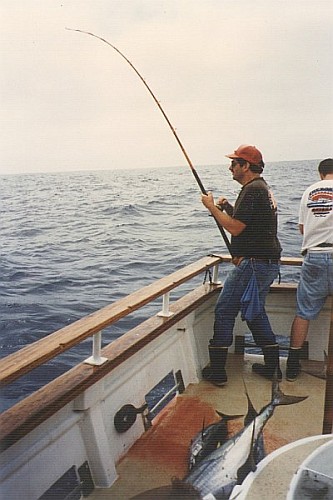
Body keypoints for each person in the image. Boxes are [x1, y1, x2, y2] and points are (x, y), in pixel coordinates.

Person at [201, 144, 282, 386]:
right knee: (255, 314)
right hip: (266, 263)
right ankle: (272, 368)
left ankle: (217, 371)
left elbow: (236, 228)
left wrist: (211, 208)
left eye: (234, 163)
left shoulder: (252, 189)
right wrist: (226, 208)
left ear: (246, 166)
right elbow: (249, 222)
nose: (230, 167)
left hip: (254, 265)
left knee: (225, 310)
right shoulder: (260, 187)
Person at [286, 158, 333, 381]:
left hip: (314, 256)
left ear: (320, 173)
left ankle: (292, 365)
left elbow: (302, 228)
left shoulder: (309, 192)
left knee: (304, 313)